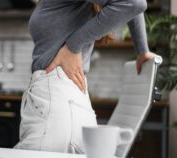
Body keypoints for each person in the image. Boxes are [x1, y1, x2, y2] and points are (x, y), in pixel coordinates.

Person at [14, 0, 158, 154]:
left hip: (57, 107)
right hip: (64, 104)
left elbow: (134, 3)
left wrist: (72, 46)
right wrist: (142, 50)